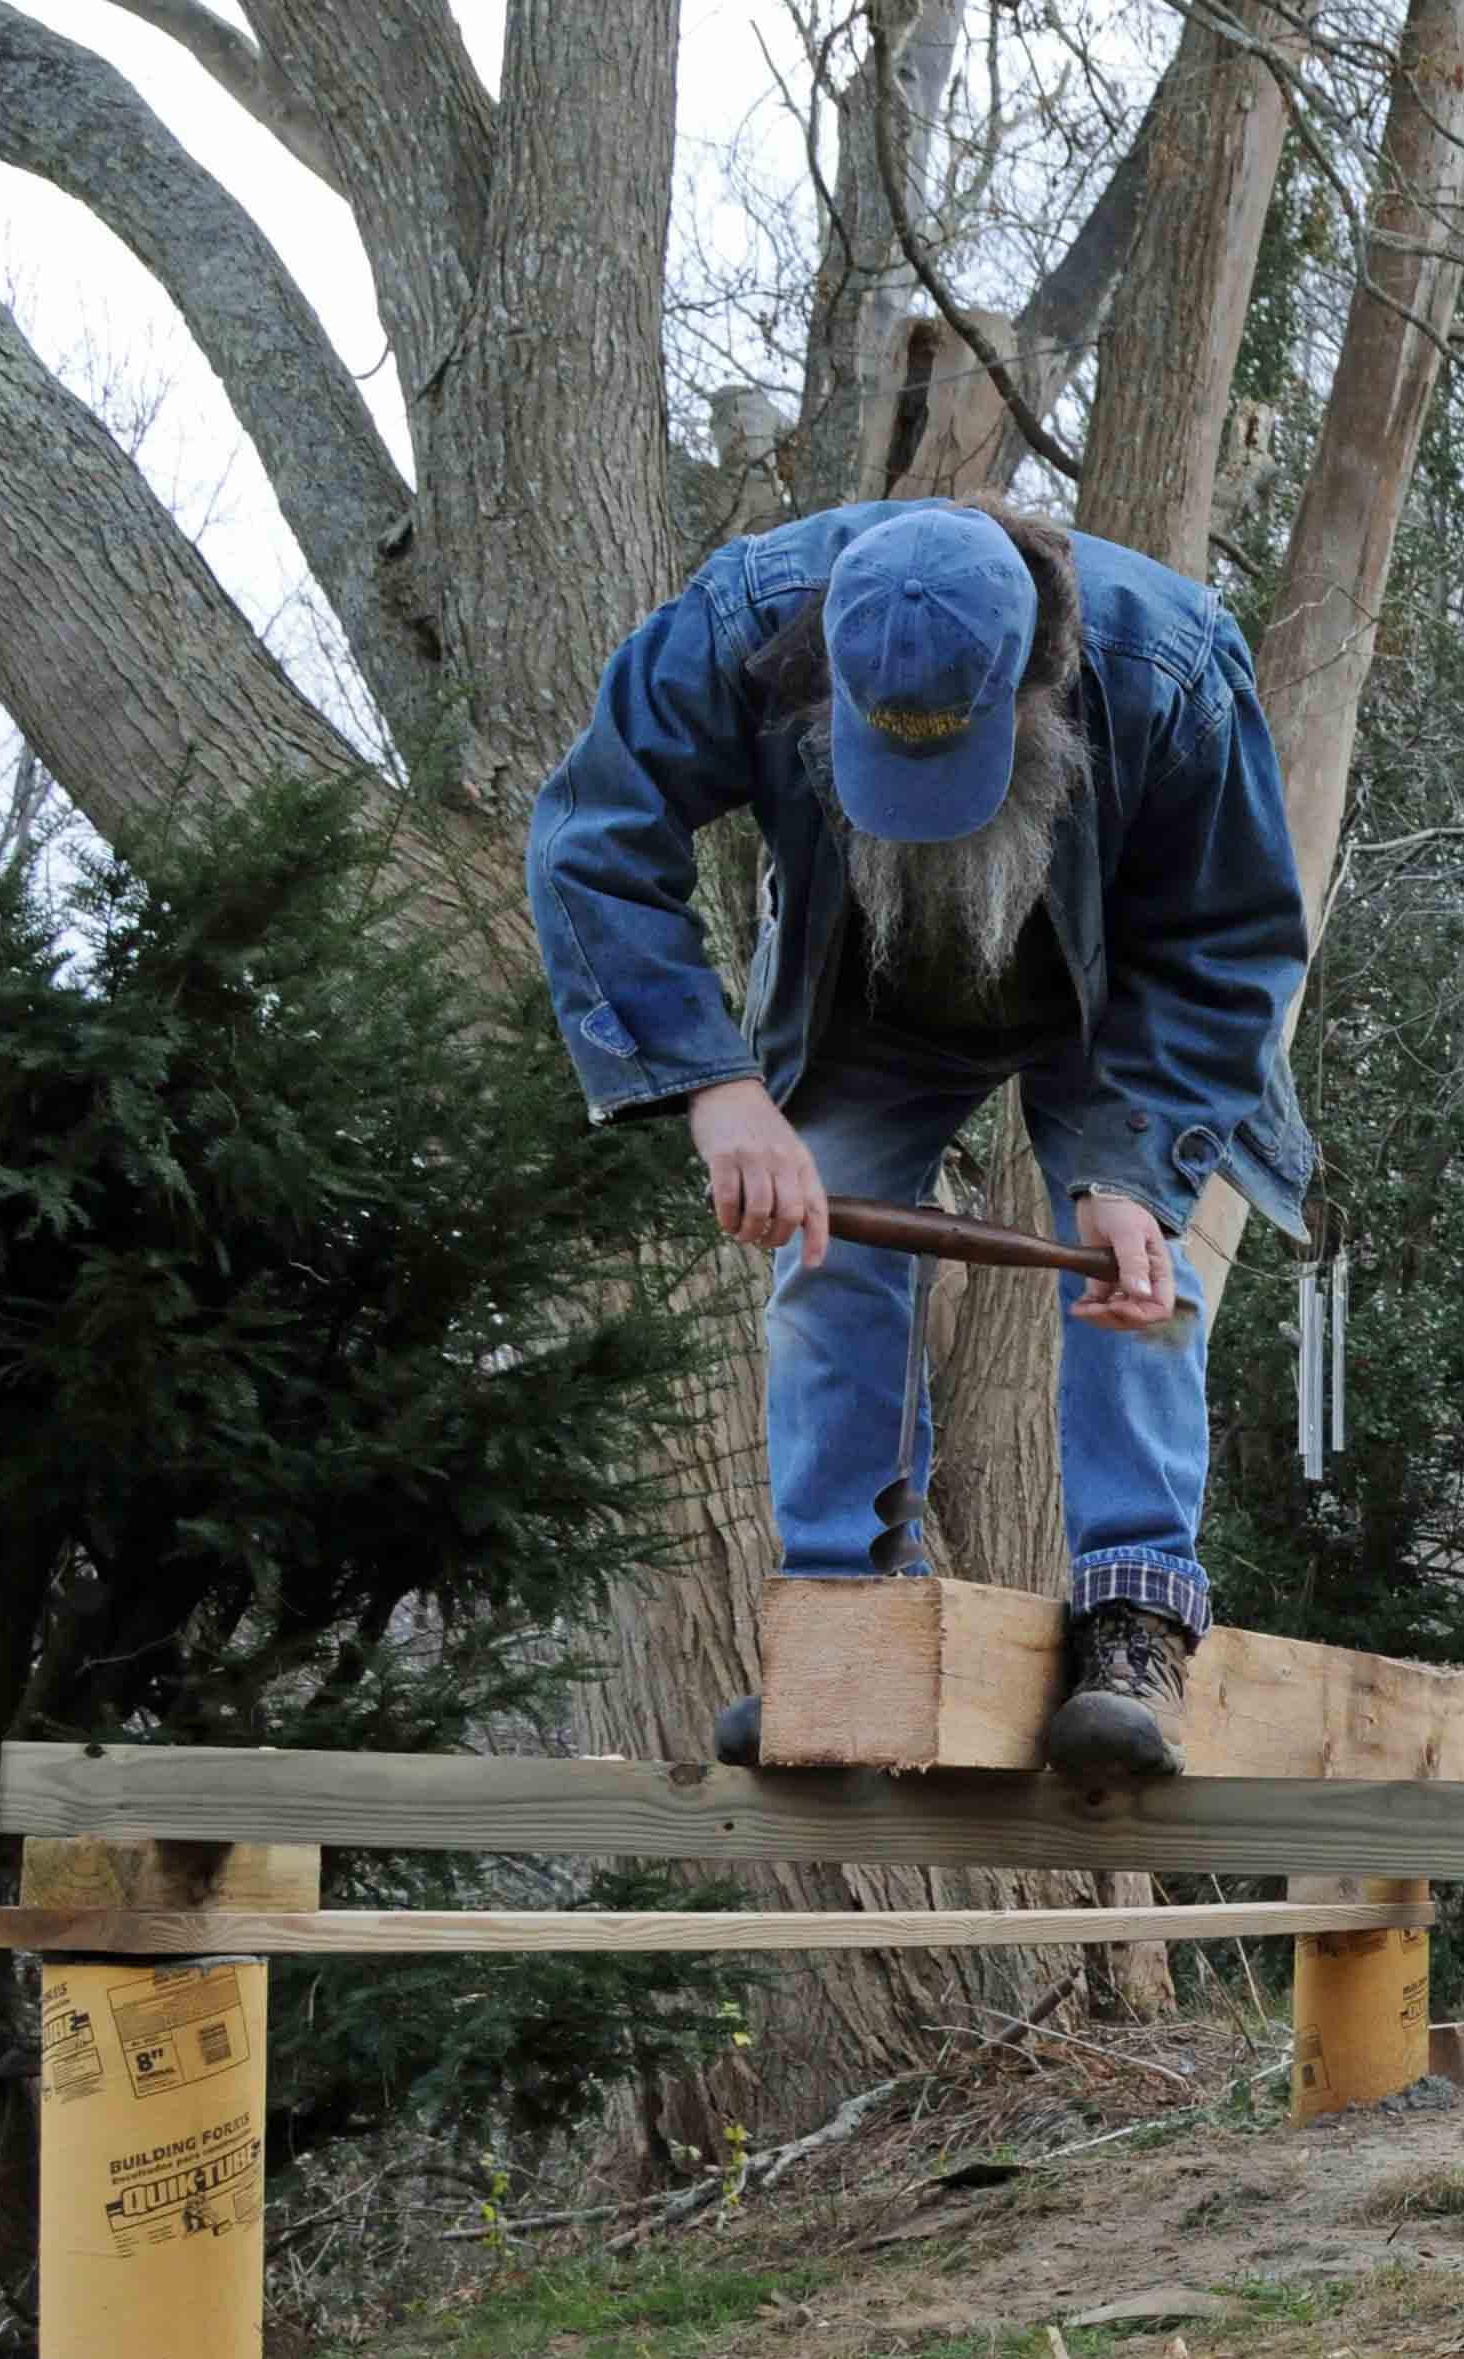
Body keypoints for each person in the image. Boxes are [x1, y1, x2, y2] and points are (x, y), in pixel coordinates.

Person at [529, 498, 1315, 1782]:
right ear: (817, 672)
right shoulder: (739, 624)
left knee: (1134, 1276)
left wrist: (1134, 1169)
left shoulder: (1166, 663)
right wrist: (716, 1085)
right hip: (870, 990)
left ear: (1037, 680)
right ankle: (843, 1625)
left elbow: (1228, 944)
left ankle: (1135, 1622)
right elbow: (591, 840)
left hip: (1119, 1003)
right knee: (824, 1243)